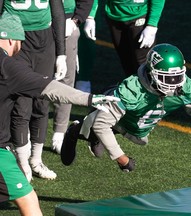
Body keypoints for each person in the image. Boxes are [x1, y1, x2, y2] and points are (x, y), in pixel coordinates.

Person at [0, 11, 119, 215]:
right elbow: (53, 90)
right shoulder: (8, 67)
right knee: (28, 200)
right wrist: (90, 99)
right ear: (11, 39)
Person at [60, 43, 191, 172]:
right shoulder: (132, 90)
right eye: (167, 78)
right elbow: (101, 125)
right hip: (121, 111)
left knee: (139, 133)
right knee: (103, 122)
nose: (173, 84)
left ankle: (97, 134)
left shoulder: (185, 87)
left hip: (137, 121)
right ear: (152, 72)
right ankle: (75, 131)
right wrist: (122, 159)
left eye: (177, 77)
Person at [2, 0, 67, 181]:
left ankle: (36, 160)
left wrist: (61, 53)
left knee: (42, 103)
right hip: (16, 38)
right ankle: (22, 163)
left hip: (44, 40)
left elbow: (58, 12)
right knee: (22, 106)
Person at [51, 0, 95, 154]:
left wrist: (78, 19)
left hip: (68, 19)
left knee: (66, 81)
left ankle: (60, 131)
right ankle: (28, 132)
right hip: (37, 20)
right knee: (35, 77)